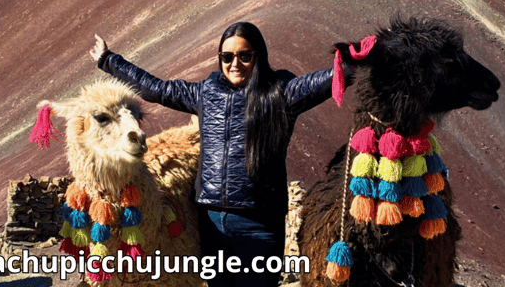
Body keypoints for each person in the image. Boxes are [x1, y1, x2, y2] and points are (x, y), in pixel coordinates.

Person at [90, 22, 351, 287]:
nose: (235, 64)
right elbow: (157, 88)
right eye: (227, 57)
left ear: (258, 56)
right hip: (212, 222)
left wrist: (359, 59)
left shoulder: (281, 92)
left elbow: (332, 78)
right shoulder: (206, 92)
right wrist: (108, 59)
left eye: (244, 56)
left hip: (259, 225)